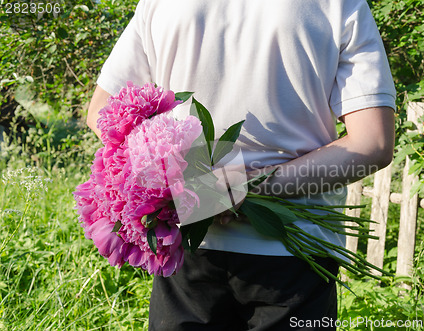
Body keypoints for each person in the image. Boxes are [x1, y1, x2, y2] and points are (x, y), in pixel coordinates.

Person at [86, 0, 396, 329]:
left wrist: (193, 187)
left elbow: (103, 114)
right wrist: (236, 188)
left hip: (189, 244)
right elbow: (372, 143)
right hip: (295, 251)